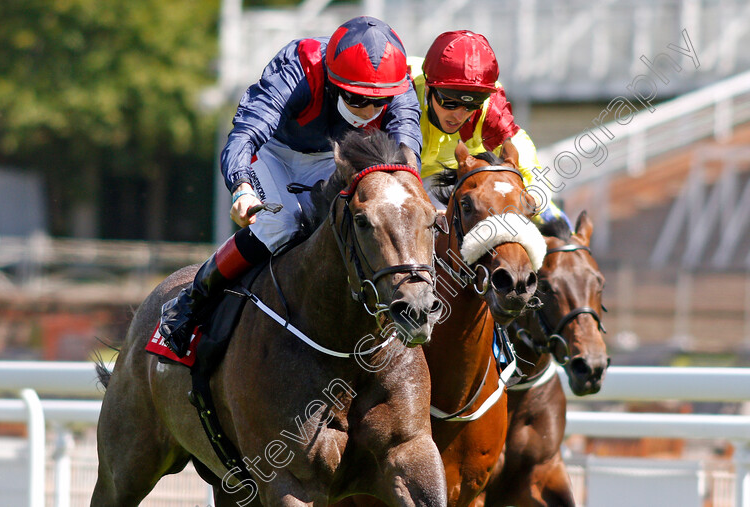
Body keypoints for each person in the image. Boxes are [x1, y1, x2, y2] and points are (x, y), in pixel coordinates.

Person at [159, 16, 422, 357]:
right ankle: (192, 302)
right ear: (333, 82)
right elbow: (245, 134)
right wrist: (241, 187)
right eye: (358, 100)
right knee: (281, 224)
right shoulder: (300, 67)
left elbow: (406, 151)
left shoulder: (397, 86)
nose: (370, 110)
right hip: (272, 152)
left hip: (333, 156)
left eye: (379, 102)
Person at [410, 30, 569, 225]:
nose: (459, 115)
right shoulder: (401, 95)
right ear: (427, 87)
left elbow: (526, 161)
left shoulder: (490, 105)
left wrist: (538, 202)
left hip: (449, 174)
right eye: (449, 103)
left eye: (472, 104)